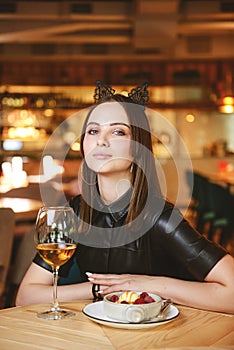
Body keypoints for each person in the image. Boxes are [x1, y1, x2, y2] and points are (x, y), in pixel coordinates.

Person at [16, 81, 234, 314]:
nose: (102, 140)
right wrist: (99, 288)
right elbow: (25, 295)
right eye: (93, 130)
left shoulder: (160, 217)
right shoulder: (75, 212)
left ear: (138, 148)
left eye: (118, 131)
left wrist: (147, 285)